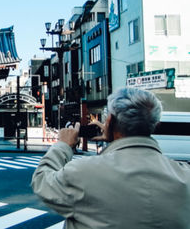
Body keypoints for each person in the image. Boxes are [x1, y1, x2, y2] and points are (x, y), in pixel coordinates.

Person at [31, 88, 190, 228]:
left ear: (109, 121)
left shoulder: (85, 172)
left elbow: (42, 181)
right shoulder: (185, 176)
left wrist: (63, 145)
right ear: (156, 125)